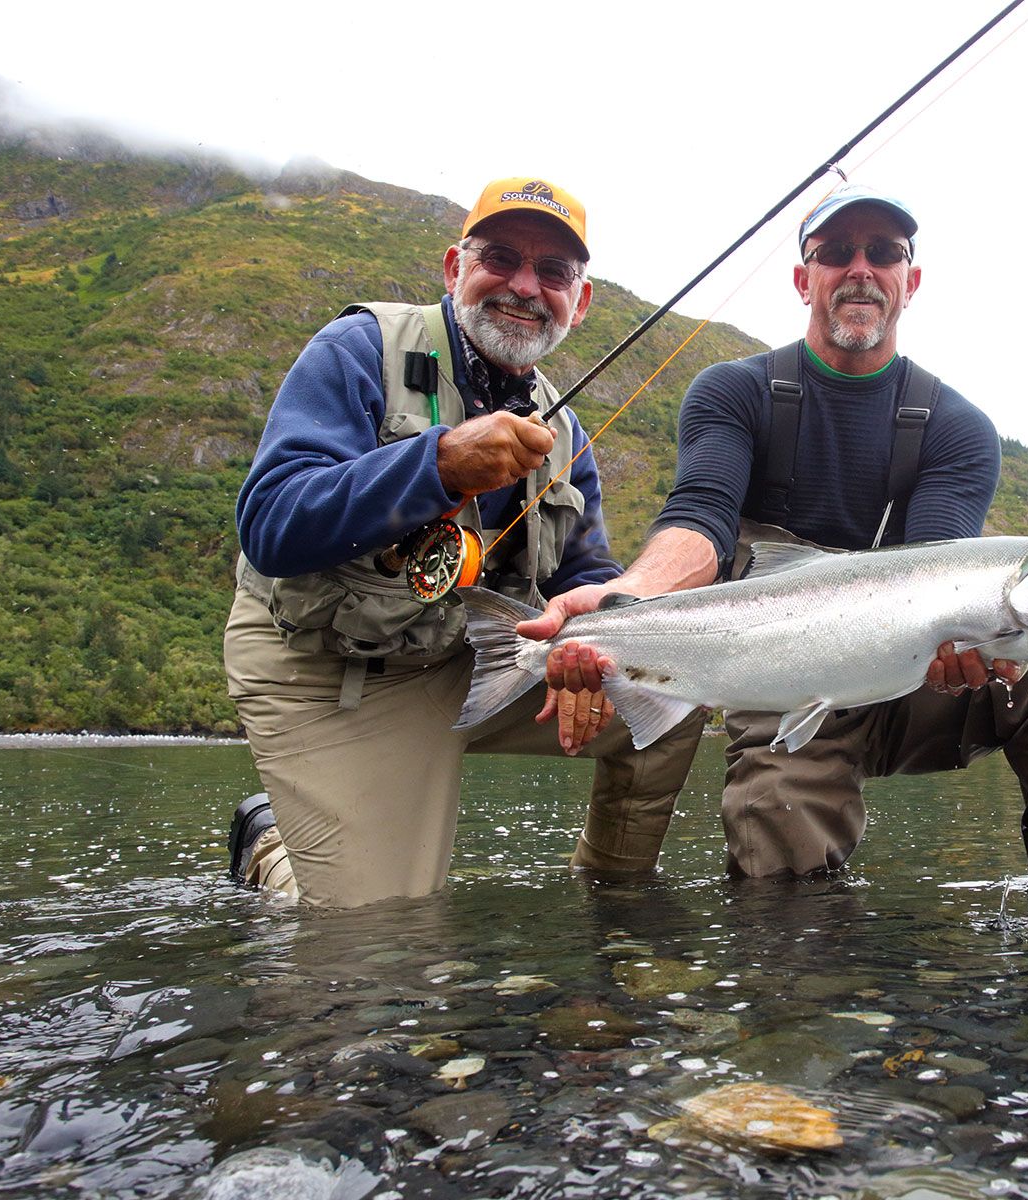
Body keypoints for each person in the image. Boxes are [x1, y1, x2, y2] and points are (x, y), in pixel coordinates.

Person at [520, 183, 1028, 893]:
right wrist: (626, 600)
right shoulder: (733, 392)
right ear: (802, 278)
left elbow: (939, 569)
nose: (860, 269)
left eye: (884, 252)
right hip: (785, 683)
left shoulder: (959, 428)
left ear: (910, 281)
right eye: (837, 251)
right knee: (779, 871)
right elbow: (701, 520)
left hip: (917, 679)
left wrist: (968, 645)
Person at [222, 176, 704, 908]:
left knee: (673, 689)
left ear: (579, 301)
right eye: (500, 258)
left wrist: (599, 626)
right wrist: (437, 465)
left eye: (553, 272)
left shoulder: (566, 432)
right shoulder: (360, 347)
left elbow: (586, 568)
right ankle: (270, 847)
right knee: (377, 934)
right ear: (455, 268)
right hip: (327, 666)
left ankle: (613, 905)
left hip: (473, 654)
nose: (524, 286)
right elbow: (271, 525)